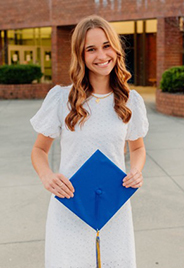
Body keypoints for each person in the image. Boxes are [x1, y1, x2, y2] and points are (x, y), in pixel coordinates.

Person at [30, 15, 149, 268]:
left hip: (113, 208)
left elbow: (137, 148)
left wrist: (136, 170)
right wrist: (47, 176)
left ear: (115, 49)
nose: (101, 55)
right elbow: (39, 149)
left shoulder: (130, 101)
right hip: (70, 206)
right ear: (80, 55)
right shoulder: (62, 99)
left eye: (106, 45)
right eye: (91, 49)